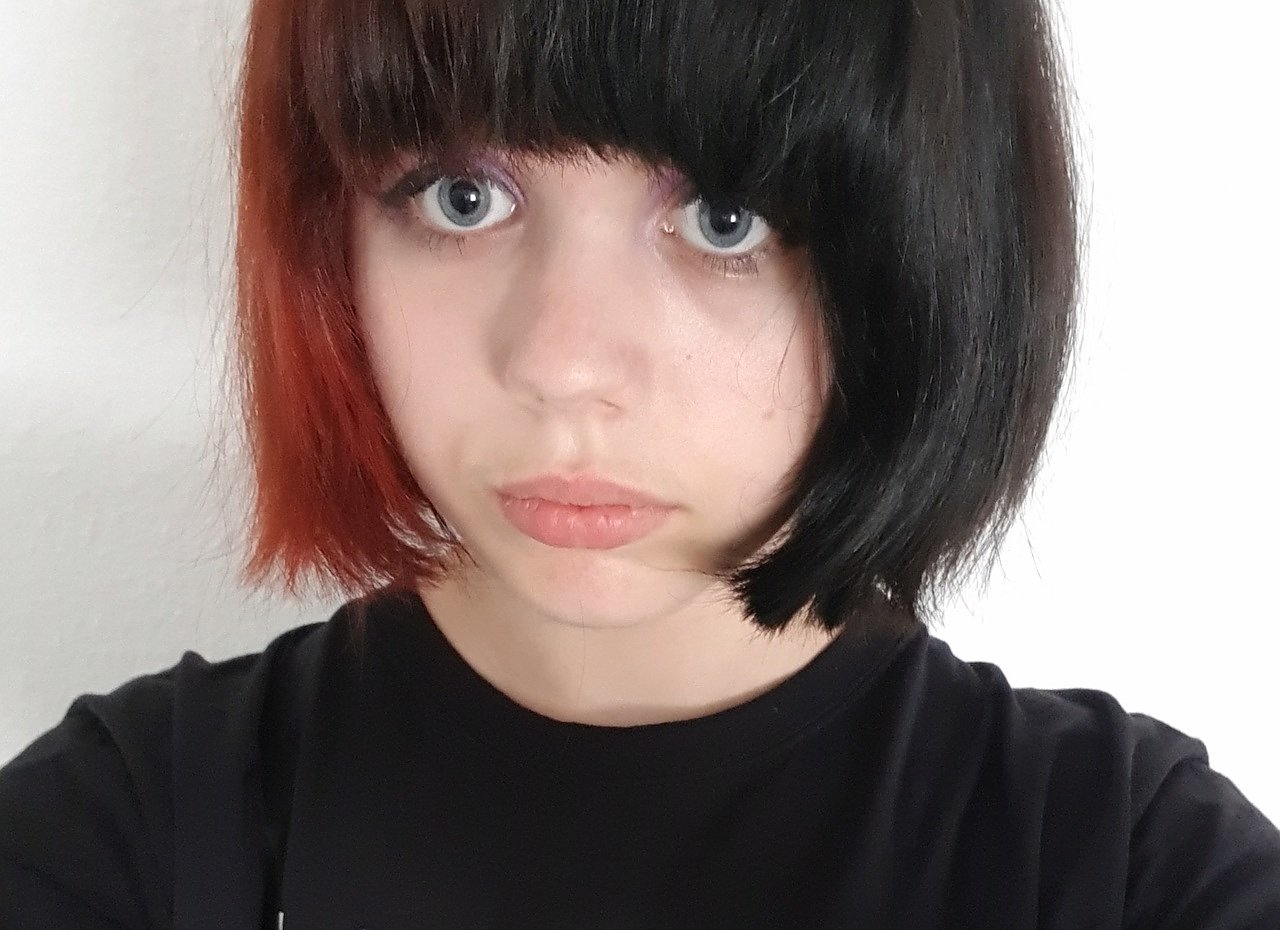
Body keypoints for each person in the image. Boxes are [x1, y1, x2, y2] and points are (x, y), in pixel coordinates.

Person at [2, 0, 1277, 926]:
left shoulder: (1128, 872)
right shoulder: (124, 840)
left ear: (922, 254)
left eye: (725, 216)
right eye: (459, 198)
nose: (561, 362)